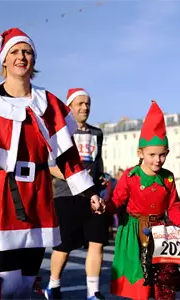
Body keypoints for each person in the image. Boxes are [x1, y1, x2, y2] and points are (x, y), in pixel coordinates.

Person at [0, 28, 102, 299]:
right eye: (15, 51)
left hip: (37, 197)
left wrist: (90, 191)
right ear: (4, 60)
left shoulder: (48, 103)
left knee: (26, 282)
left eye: (27, 52)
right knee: (5, 281)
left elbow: (67, 155)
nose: (21, 57)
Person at [106, 101, 180, 300]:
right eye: (152, 155)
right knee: (140, 283)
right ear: (140, 154)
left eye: (162, 155)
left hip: (161, 232)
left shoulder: (168, 177)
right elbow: (117, 201)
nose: (157, 160)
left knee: (164, 282)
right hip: (134, 232)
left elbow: (174, 206)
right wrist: (103, 207)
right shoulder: (130, 176)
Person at [45, 88, 109, 300]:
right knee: (65, 246)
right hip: (66, 194)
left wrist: (101, 177)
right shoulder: (60, 132)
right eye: (80, 104)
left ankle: (93, 292)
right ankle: (53, 285)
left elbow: (98, 160)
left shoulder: (97, 133)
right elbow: (50, 166)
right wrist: (75, 178)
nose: (85, 107)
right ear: (69, 107)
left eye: (87, 103)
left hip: (94, 195)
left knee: (96, 241)